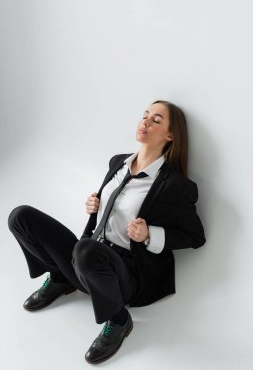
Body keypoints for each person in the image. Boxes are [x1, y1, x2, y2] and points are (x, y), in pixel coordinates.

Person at [8, 99, 206, 364]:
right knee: (20, 217)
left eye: (156, 120)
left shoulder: (177, 186)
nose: (146, 121)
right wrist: (95, 208)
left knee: (86, 249)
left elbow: (195, 237)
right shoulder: (118, 162)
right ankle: (61, 277)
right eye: (145, 115)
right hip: (87, 260)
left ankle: (119, 319)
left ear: (170, 136)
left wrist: (149, 235)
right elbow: (114, 208)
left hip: (125, 277)